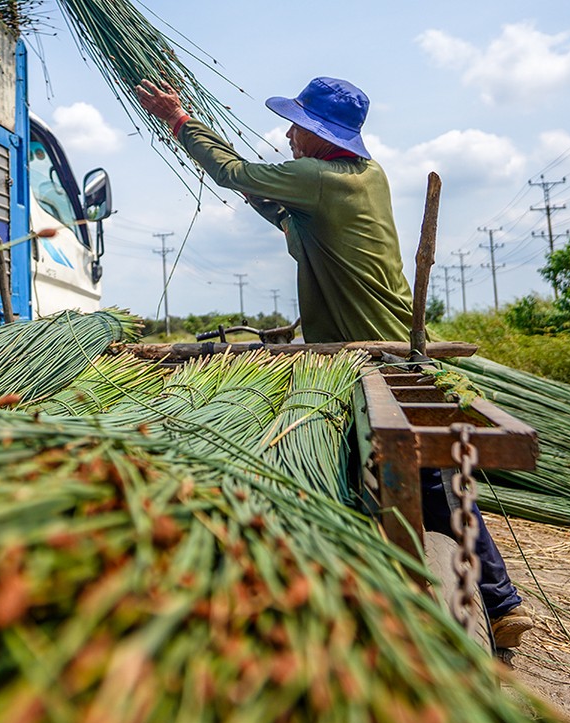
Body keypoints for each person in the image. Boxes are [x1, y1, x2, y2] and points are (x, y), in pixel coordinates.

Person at [133, 74, 533, 652]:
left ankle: (487, 602)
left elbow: (234, 173)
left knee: (424, 480)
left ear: (319, 136)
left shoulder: (318, 178)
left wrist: (180, 121)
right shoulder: (363, 176)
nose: (290, 135)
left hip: (376, 351)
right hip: (389, 337)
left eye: (298, 125)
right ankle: (500, 601)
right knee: (433, 479)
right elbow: (287, 213)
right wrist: (265, 197)